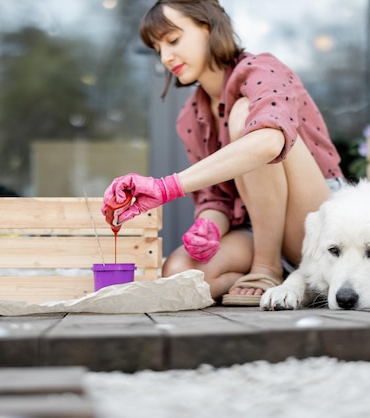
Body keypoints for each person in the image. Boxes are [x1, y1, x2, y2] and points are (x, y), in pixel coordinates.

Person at [103, 0, 344, 306]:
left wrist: (165, 188)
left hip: (316, 221)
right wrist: (210, 227)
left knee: (245, 117)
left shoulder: (262, 69)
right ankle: (284, 279)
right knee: (178, 272)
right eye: (158, 48)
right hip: (253, 228)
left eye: (173, 40)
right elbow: (215, 198)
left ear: (208, 27)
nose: (165, 57)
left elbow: (270, 143)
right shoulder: (190, 117)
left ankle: (266, 267)